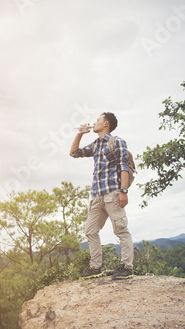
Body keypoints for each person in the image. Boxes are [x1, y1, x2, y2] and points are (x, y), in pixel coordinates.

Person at [70, 112, 134, 280]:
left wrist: (124, 191)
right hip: (96, 196)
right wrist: (80, 133)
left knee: (120, 230)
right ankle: (95, 267)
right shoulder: (95, 145)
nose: (94, 122)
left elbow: (124, 166)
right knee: (90, 231)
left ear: (106, 124)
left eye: (98, 120)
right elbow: (74, 152)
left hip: (113, 193)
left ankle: (127, 266)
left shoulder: (117, 141)